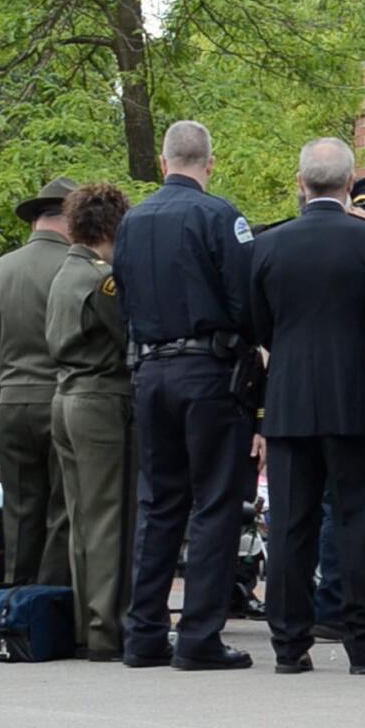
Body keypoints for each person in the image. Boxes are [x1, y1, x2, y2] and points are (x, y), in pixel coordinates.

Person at [252, 138, 365, 675]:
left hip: (290, 400)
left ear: (300, 182)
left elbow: (259, 324)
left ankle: (289, 646)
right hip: (355, 396)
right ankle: (364, 643)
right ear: (349, 184)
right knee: (355, 521)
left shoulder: (269, 245)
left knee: (291, 526)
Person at [114, 120, 261, 671]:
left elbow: (122, 297)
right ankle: (199, 635)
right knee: (216, 502)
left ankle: (145, 633)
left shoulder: (132, 221)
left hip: (151, 371)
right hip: (207, 371)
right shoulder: (220, 216)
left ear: (162, 161)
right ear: (210, 162)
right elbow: (245, 299)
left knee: (158, 503)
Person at [45, 183, 137, 661]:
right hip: (101, 400)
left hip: (65, 397)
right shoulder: (103, 279)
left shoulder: (65, 272)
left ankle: (87, 624)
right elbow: (128, 332)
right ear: (112, 227)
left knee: (82, 517)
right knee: (109, 518)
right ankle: (108, 629)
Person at [0, 177, 77, 587]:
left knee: (19, 510)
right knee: (62, 510)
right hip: (63, 402)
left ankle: (14, 603)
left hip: (12, 406)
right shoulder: (79, 269)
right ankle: (48, 608)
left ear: (36, 219)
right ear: (71, 218)